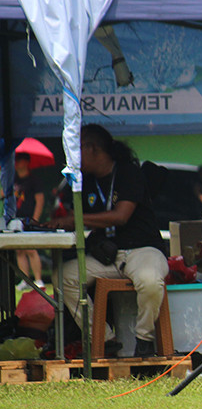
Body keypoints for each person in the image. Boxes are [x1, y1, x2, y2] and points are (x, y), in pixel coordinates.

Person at [46, 124, 169, 358]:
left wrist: (75, 220)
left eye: (77, 148)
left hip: (143, 249)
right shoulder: (84, 181)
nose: (72, 155)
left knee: (149, 280)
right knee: (64, 276)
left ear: (92, 148)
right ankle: (103, 338)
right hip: (108, 255)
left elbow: (121, 216)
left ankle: (144, 339)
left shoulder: (128, 173)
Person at [13, 152, 46, 290]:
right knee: (19, 250)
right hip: (15, 219)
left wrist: (35, 219)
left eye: (19, 160)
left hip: (29, 219)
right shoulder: (12, 179)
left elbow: (40, 200)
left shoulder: (34, 180)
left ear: (26, 162)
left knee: (31, 249)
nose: (16, 163)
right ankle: (25, 280)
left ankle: (38, 280)